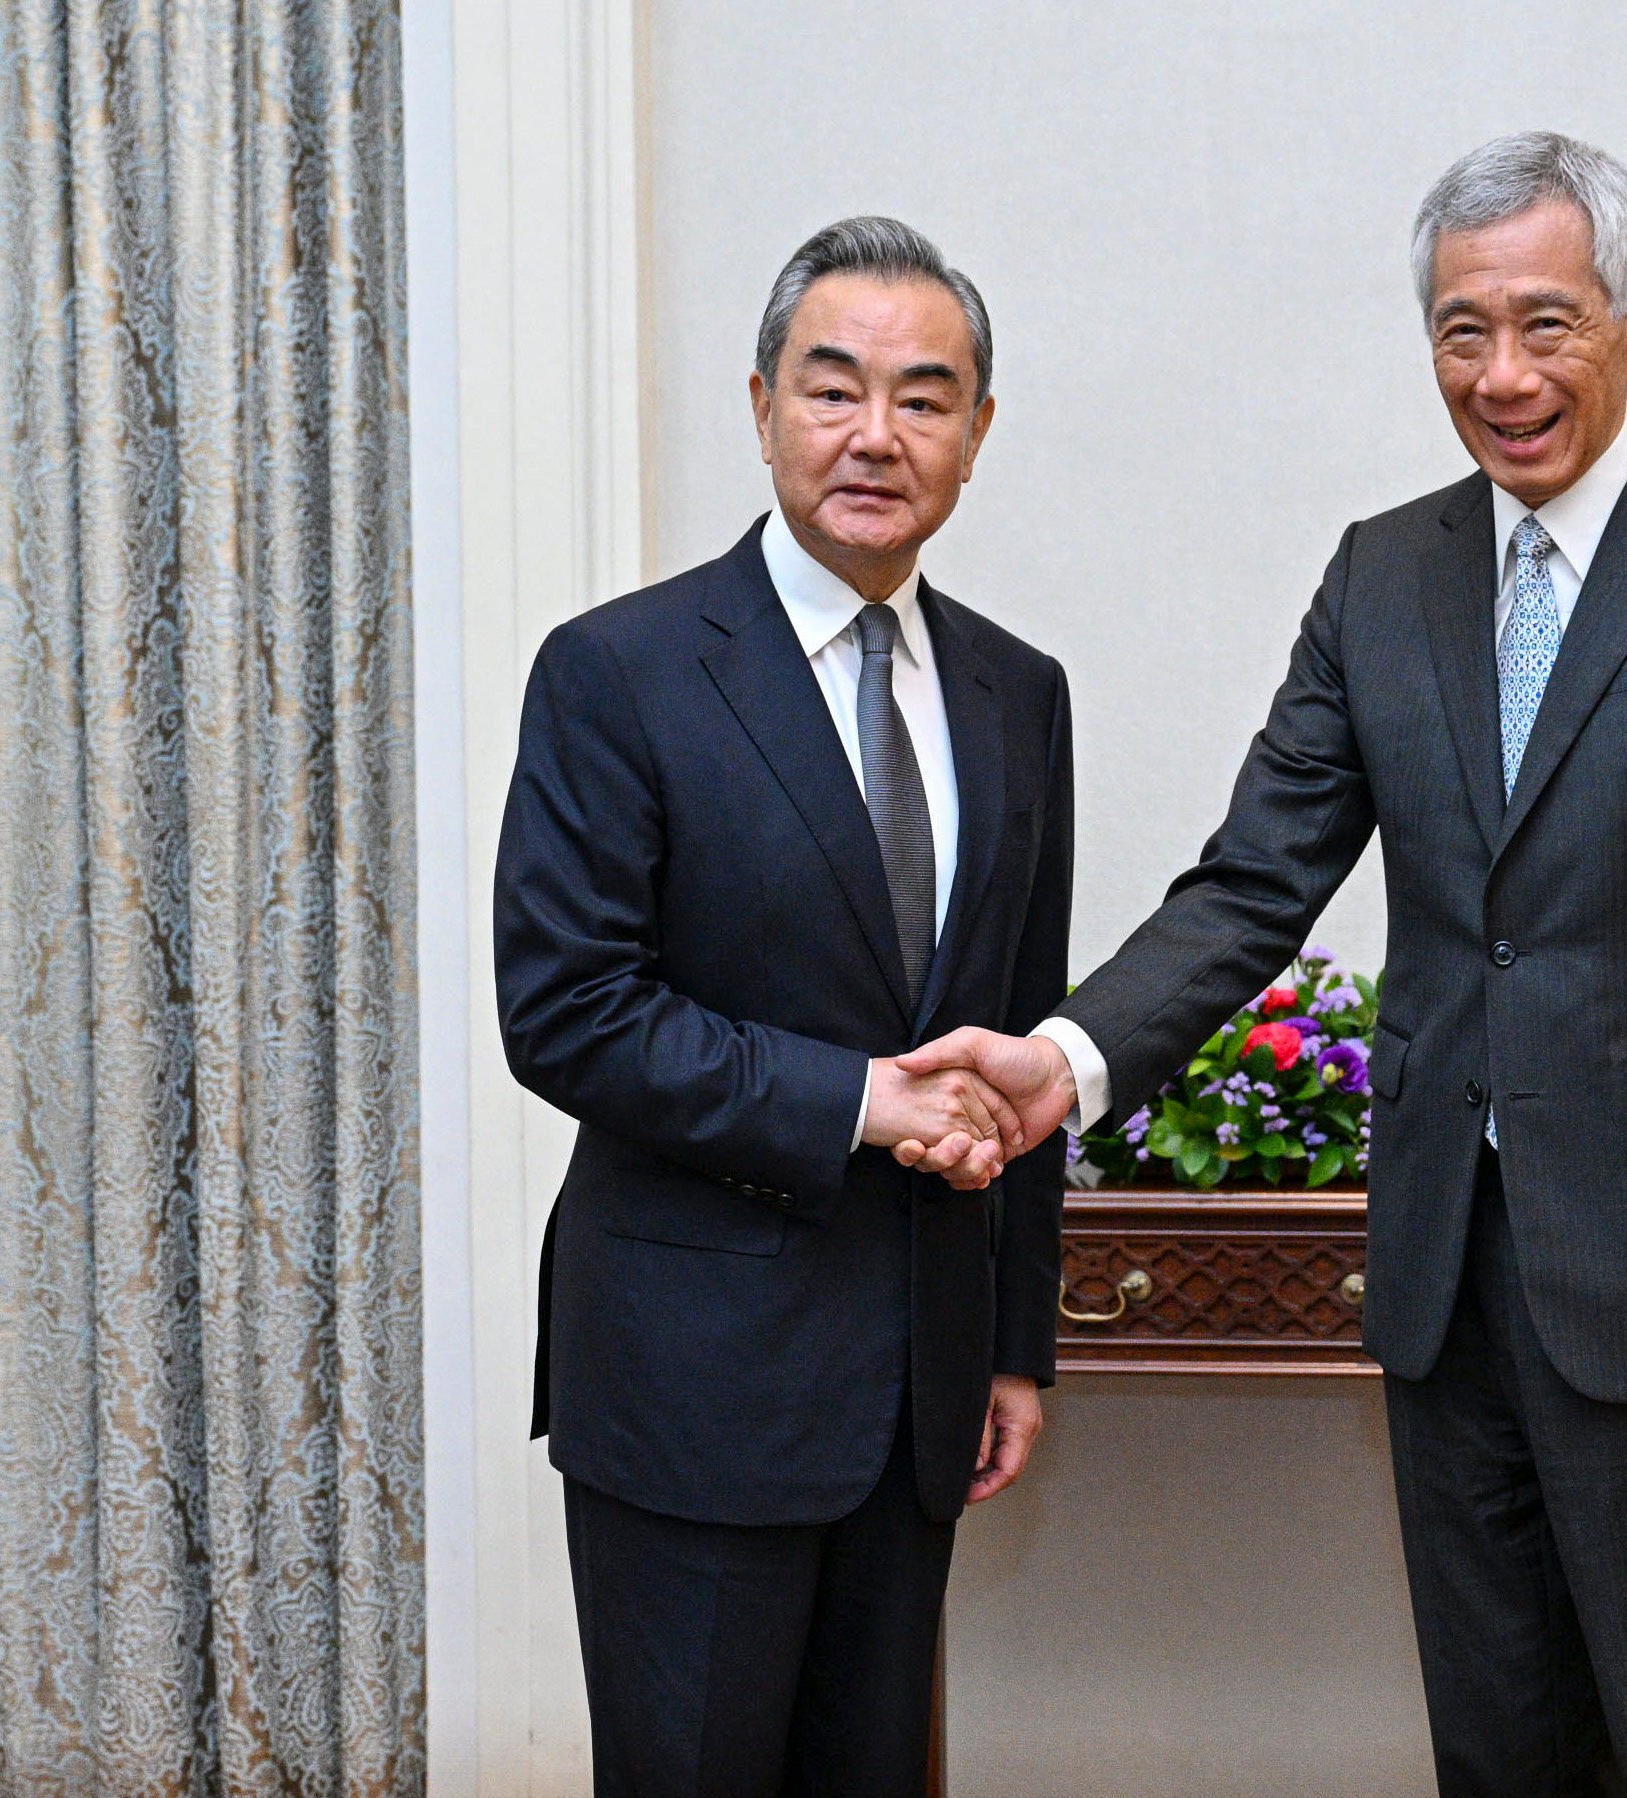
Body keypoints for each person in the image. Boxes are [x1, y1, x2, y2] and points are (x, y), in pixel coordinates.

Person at [901, 134, 1627, 1795]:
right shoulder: (1386, 572)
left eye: (1544, 323)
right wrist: (1064, 1063)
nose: (1500, 375)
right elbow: (1251, 885)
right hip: (1444, 1278)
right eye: (1461, 331)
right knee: (1498, 1743)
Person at [494, 216, 1073, 1793]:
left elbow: (1020, 1030)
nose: (875, 434)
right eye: (833, 389)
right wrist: (861, 1099)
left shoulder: (1020, 692)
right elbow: (568, 1010)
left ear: (976, 431)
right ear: (761, 406)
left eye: (924, 395)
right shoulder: (619, 672)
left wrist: (1014, 1343)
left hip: (919, 1393)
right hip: (692, 1387)